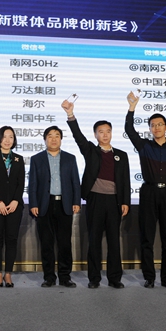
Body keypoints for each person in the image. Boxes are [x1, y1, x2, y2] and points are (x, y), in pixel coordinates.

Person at [62, 98, 130, 289]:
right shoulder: (91, 150)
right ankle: (94, 278)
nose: (105, 134)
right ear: (95, 134)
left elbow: (125, 180)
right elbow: (78, 136)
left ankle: (115, 278)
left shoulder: (121, 155)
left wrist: (125, 201)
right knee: (94, 240)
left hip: (115, 201)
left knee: (114, 242)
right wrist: (70, 114)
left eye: (108, 131)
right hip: (95, 200)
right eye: (101, 131)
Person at [125, 92, 166, 289]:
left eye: (160, 124)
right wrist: (132, 107)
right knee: (147, 238)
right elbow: (129, 129)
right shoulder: (144, 146)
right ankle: (149, 277)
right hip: (148, 193)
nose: (157, 127)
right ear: (150, 128)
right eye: (153, 125)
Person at [28, 126, 81, 288]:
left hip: (64, 204)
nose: (53, 139)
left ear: (61, 139)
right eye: (50, 136)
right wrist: (33, 203)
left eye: (57, 136)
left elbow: (75, 182)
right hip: (45, 205)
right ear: (45, 139)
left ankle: (65, 277)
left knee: (65, 243)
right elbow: (33, 184)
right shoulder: (36, 159)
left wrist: (76, 201)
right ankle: (49, 277)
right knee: (47, 243)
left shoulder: (70, 158)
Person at [0, 126, 25, 287]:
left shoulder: (19, 159)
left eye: (11, 137)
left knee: (11, 239)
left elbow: (21, 182)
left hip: (15, 206)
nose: (7, 140)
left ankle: (8, 273)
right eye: (5, 136)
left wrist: (16, 200)